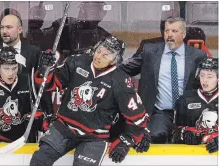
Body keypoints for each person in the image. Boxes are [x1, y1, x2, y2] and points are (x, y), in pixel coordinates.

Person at [30, 36, 151, 166]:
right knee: (39, 161)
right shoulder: (76, 62)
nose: (98, 57)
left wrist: (126, 140)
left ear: (115, 60)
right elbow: (51, 85)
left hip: (95, 137)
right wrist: (44, 71)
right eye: (98, 51)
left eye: (105, 55)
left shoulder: (120, 81)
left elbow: (138, 117)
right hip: (64, 127)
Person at [119, 17, 207, 143]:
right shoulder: (149, 51)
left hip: (188, 112)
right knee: (156, 136)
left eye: (174, 31)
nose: (169, 34)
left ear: (184, 34)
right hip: (160, 112)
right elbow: (125, 70)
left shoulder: (198, 55)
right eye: (167, 31)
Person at [0, 14, 54, 141]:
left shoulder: (34, 52)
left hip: (25, 118)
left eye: (9, 27)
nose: (4, 31)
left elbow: (42, 86)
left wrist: (48, 113)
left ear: (20, 29)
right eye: (2, 27)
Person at [172, 57, 218, 153]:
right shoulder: (186, 99)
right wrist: (184, 134)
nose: (205, 80)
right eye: (202, 75)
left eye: (209, 76)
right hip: (192, 155)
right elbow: (174, 132)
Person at [0, 46, 43, 142]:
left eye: (14, 68)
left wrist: (37, 119)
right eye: (6, 68)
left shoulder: (27, 80)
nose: (11, 73)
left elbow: (40, 111)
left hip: (24, 142)